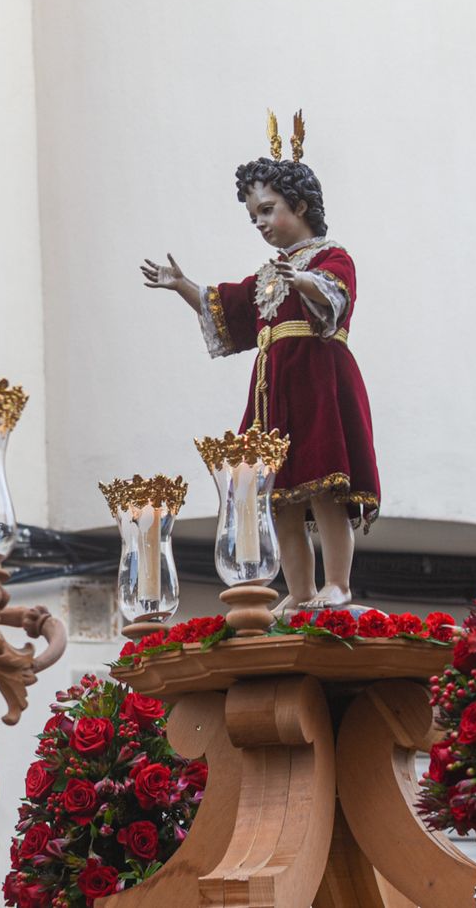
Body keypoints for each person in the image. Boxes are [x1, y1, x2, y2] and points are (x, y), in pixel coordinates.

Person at [141, 111, 379, 612]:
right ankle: (300, 590)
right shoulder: (269, 275)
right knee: (279, 498)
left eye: (268, 210)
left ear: (300, 204)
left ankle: (338, 583)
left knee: (323, 488)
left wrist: (306, 282)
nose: (262, 224)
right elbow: (227, 309)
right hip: (273, 388)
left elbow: (336, 298)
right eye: (254, 217)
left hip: (318, 382)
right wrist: (182, 285)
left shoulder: (330, 257)